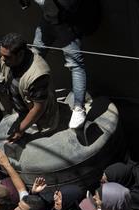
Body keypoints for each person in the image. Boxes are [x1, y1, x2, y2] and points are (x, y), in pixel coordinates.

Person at [30, 0, 88, 129]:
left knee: (76, 65)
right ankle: (41, 106)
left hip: (66, 21)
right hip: (47, 19)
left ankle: (79, 108)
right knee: (34, 58)